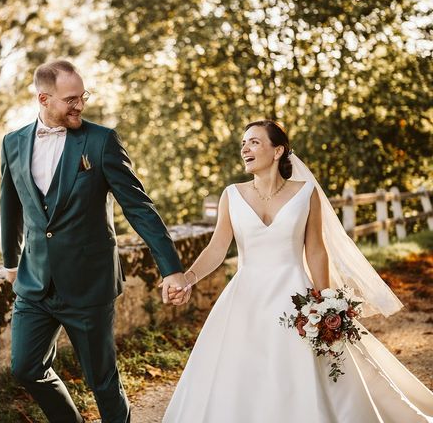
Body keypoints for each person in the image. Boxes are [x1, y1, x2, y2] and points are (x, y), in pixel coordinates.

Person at [163, 120, 433, 422]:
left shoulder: (306, 193)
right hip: (244, 299)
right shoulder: (232, 195)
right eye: (243, 143)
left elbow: (316, 250)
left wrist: (327, 302)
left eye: (254, 142)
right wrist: (188, 279)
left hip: (296, 298)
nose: (245, 148)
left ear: (278, 150)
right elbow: (217, 248)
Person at [0, 59, 188, 423]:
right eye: (71, 99)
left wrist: (171, 268)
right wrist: (11, 262)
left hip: (89, 283)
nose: (80, 105)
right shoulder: (12, 143)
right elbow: (10, 204)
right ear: (44, 98)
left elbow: (140, 208)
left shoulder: (101, 141)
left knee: (102, 381)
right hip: (34, 283)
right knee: (25, 368)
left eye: (82, 96)